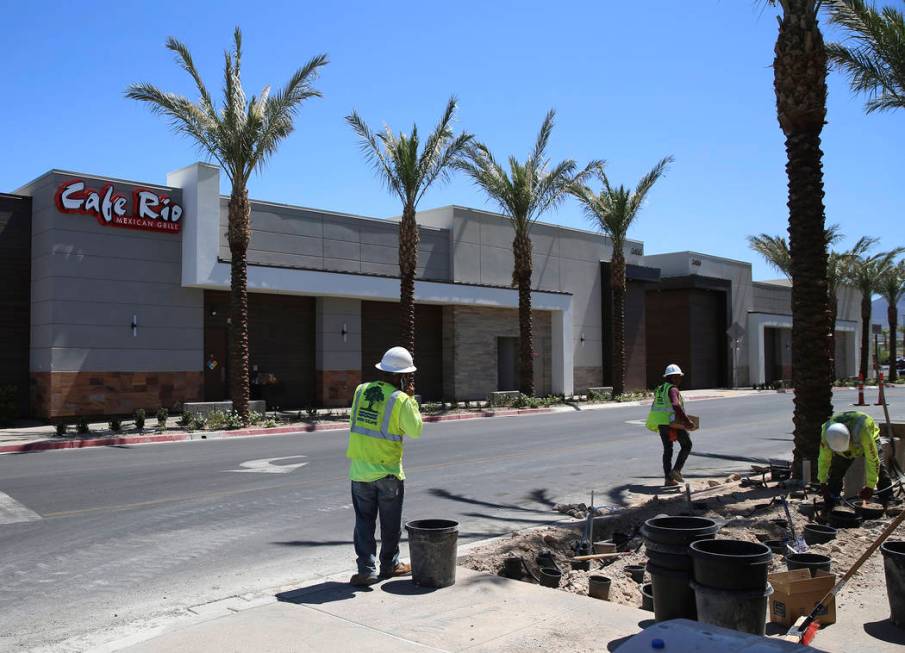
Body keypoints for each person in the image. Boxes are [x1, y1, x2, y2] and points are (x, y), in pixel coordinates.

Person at [347, 346, 424, 586]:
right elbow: (416, 430)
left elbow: (355, 422)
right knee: (390, 525)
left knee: (363, 523)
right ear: (403, 376)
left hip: (360, 471)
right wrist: (410, 399)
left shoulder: (360, 391)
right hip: (389, 473)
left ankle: (366, 569)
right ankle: (389, 565)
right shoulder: (400, 400)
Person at [818, 410, 893, 510]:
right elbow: (824, 459)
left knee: (880, 469)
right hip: (848, 443)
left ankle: (887, 499)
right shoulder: (827, 434)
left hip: (868, 439)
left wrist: (870, 486)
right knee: (836, 471)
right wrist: (822, 482)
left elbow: (872, 460)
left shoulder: (863, 431)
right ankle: (831, 501)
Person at [646, 364, 695, 487]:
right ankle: (676, 470)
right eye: (678, 377)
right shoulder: (673, 389)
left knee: (668, 450)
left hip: (662, 423)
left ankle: (668, 479)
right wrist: (686, 421)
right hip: (673, 423)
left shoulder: (660, 389)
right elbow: (676, 405)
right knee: (687, 445)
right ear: (672, 378)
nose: (680, 380)